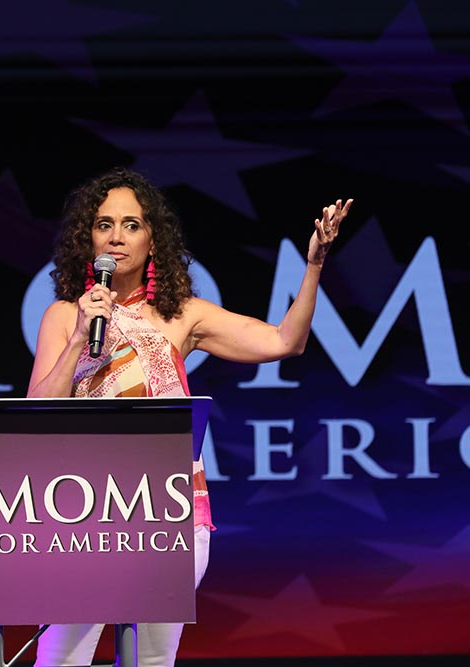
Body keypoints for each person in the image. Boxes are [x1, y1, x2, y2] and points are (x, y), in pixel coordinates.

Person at [27, 167, 352, 667]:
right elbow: (36, 413)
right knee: (59, 661)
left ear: (153, 239)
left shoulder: (184, 315)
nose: (117, 237)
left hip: (169, 513)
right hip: (84, 512)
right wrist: (78, 338)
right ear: (87, 239)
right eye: (104, 224)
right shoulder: (64, 316)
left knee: (152, 661)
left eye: (132, 225)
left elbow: (285, 341)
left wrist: (314, 265)